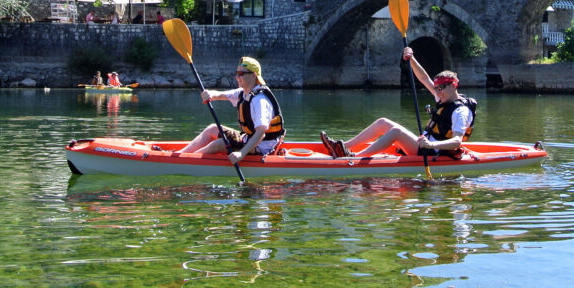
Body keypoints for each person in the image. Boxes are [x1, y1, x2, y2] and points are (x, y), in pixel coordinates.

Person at [320, 46, 475, 159]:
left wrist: (430, 145)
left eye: (441, 88)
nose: (438, 92)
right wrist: (411, 58)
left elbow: (456, 142)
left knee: (396, 132)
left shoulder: (460, 112)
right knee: (382, 122)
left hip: (434, 152)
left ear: (453, 86)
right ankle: (342, 147)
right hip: (425, 145)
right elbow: (423, 78)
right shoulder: (444, 97)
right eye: (436, 88)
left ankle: (354, 158)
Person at [178, 57, 285, 163]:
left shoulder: (260, 101)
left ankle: (187, 161)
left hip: (262, 148)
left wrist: (241, 153)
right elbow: (221, 95)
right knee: (213, 128)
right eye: (237, 73)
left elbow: (261, 133)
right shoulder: (243, 93)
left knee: (220, 143)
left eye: (241, 74)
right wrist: (210, 94)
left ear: (253, 75)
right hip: (247, 139)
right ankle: (179, 154)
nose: (237, 77)